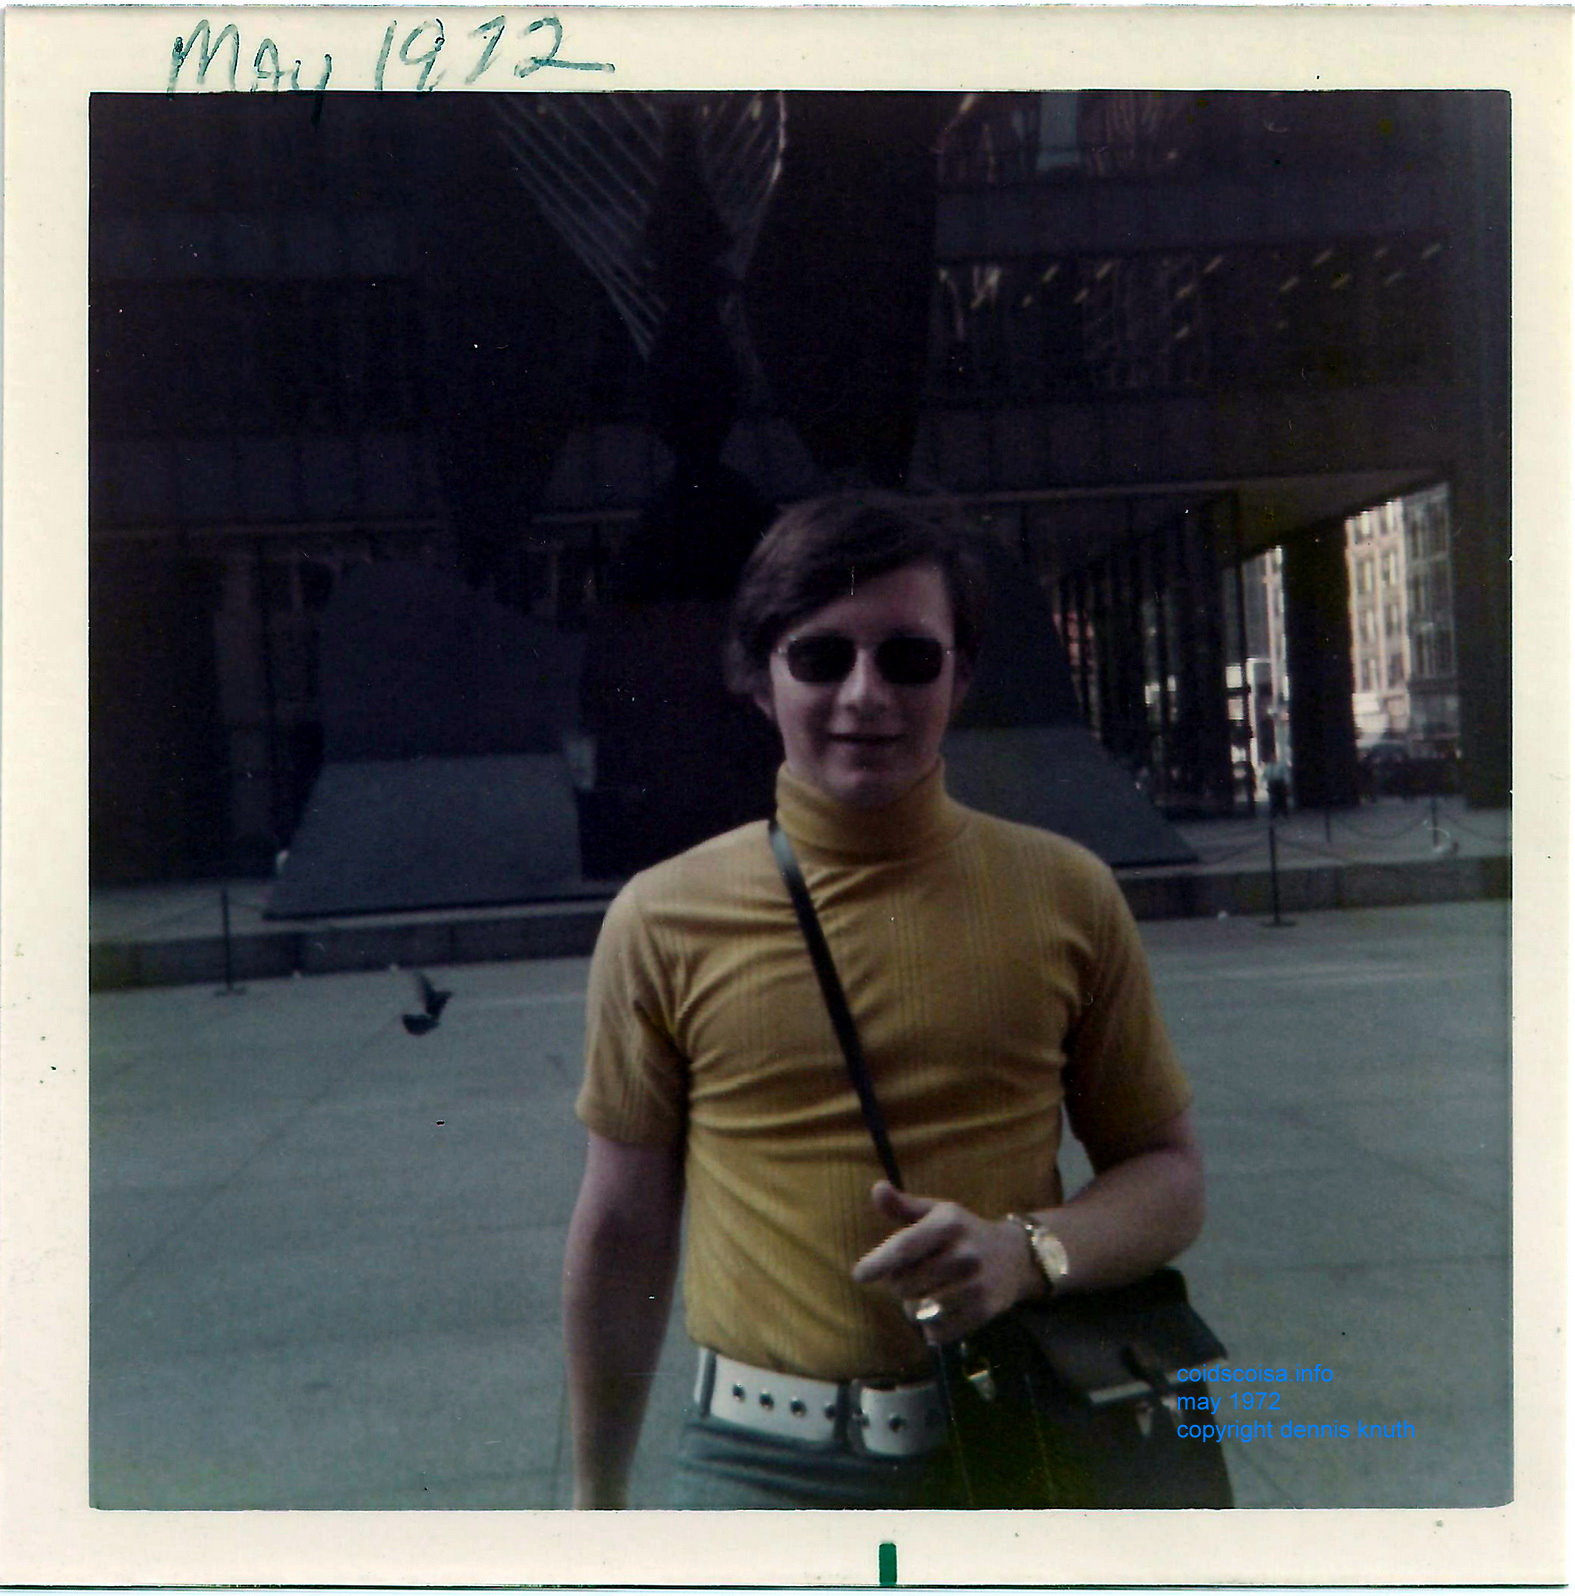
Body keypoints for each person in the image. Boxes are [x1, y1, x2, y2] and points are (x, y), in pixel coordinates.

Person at [563, 491, 1205, 1509]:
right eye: (821, 657)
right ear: (759, 679)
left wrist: (1025, 1253)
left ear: (961, 676)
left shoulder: (1066, 893)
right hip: (755, 1473)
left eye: (908, 657)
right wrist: (594, 1506)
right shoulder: (662, 918)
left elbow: (1167, 1175)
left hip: (1013, 1447)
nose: (865, 695)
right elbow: (621, 1228)